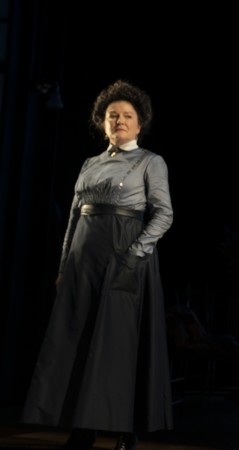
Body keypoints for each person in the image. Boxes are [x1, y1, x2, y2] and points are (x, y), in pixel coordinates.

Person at [22, 80, 174, 450]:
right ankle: (83, 427)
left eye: (127, 116)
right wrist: (63, 267)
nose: (119, 121)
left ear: (140, 124)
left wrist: (135, 254)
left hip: (124, 259)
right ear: (102, 122)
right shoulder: (89, 164)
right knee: (75, 342)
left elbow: (164, 214)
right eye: (112, 116)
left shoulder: (150, 162)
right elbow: (73, 219)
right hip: (82, 261)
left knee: (118, 348)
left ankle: (126, 431)